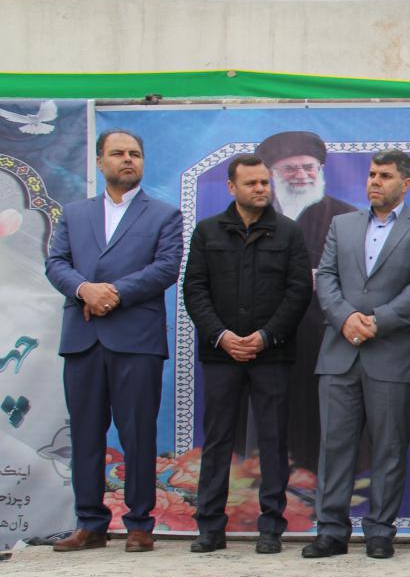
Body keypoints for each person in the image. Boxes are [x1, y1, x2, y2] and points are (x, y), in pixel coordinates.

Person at [44, 129, 183, 553]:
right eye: (118, 153)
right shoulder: (74, 214)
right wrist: (85, 290)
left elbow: (166, 267)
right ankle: (90, 523)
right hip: (84, 338)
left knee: (137, 433)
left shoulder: (164, 215)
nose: (128, 160)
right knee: (86, 433)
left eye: (135, 154)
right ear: (100, 161)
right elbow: (56, 263)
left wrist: (114, 293)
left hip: (136, 339)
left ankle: (140, 523)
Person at [301, 149, 410, 559]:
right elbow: (326, 276)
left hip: (392, 354)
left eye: (385, 176)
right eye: (372, 174)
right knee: (334, 446)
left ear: (406, 184)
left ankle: (380, 531)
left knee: (389, 448)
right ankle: (330, 530)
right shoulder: (341, 224)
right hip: (339, 351)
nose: (375, 182)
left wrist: (378, 321)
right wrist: (345, 318)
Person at [182, 154, 312, 554]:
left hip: (272, 354)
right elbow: (195, 289)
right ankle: (210, 526)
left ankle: (271, 527)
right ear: (231, 187)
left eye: (264, 182)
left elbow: (298, 292)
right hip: (221, 354)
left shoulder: (289, 232)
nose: (260, 189)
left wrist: (266, 336)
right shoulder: (208, 232)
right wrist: (221, 336)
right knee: (218, 439)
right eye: (251, 183)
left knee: (273, 439)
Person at [255, 131, 358, 474]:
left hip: (324, 339)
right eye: (290, 168)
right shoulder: (254, 216)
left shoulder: (347, 217)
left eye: (308, 167)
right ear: (273, 173)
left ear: (320, 170)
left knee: (322, 424)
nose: (301, 175)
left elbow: (362, 277)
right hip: (267, 341)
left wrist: (321, 279)